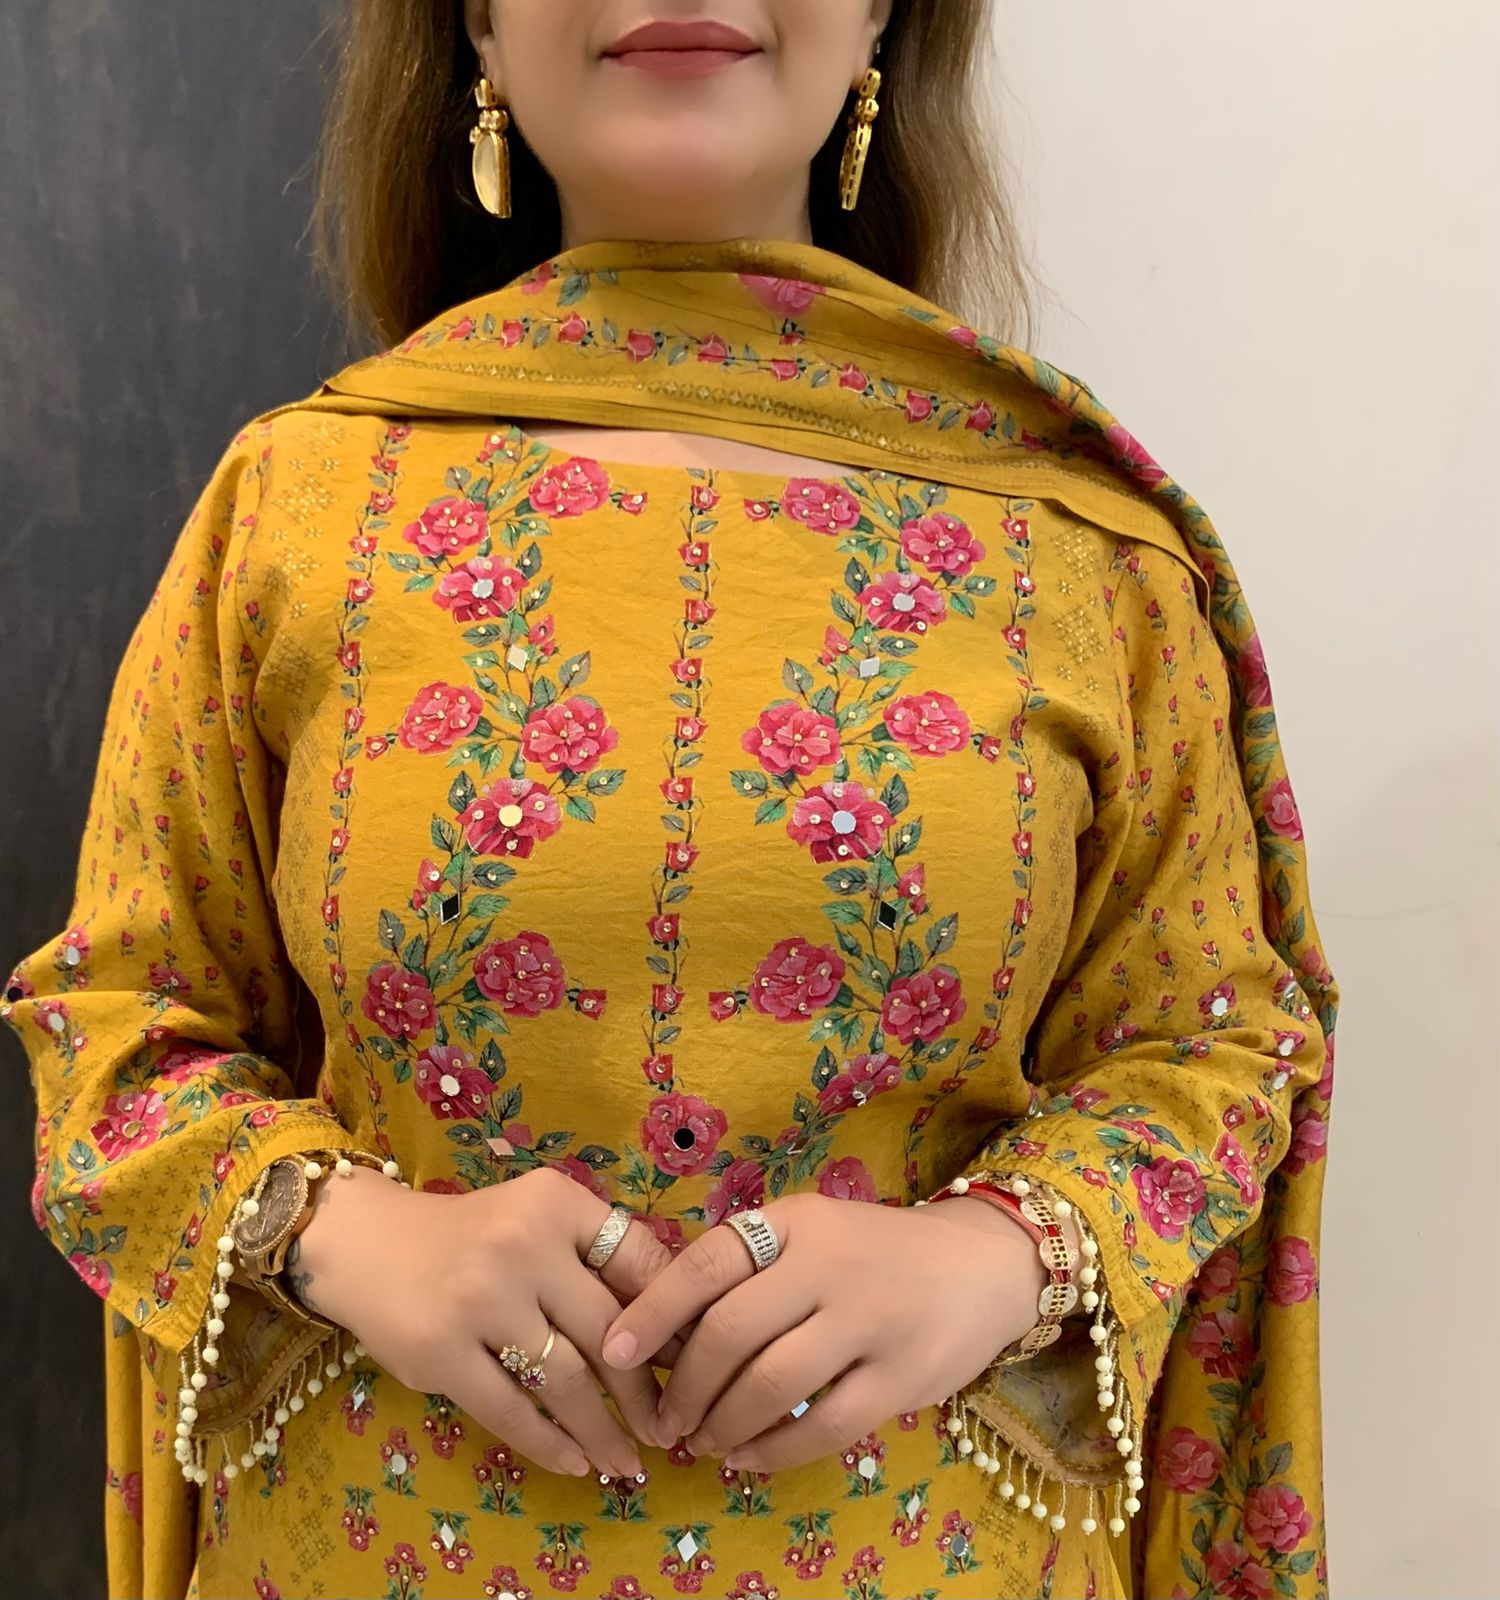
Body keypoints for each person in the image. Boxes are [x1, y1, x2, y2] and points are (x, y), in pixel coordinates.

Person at [1, 3, 1339, 1597]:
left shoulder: (1081, 553)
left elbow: (1218, 1039)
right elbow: (117, 1028)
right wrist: (348, 1234)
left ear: (883, 18)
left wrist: (995, 1256)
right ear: (478, 27)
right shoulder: (294, 514)